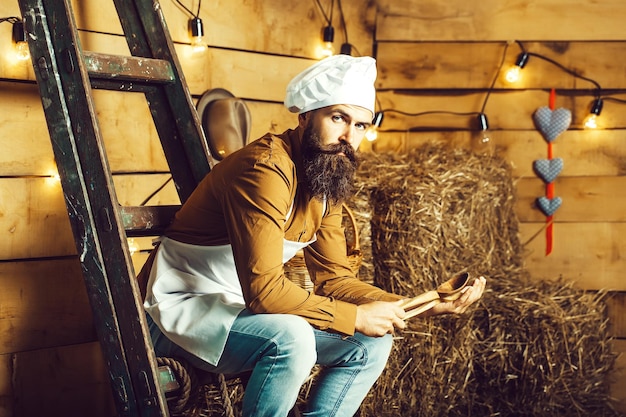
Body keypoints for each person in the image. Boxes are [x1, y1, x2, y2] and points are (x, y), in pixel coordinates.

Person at [140, 54, 486, 417]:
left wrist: (424, 305)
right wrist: (354, 317)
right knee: (293, 338)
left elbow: (335, 280)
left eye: (361, 125)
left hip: (239, 313)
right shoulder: (266, 169)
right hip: (179, 312)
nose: (349, 137)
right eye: (338, 118)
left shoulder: (325, 176)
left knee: (369, 345)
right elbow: (265, 292)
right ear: (305, 115)